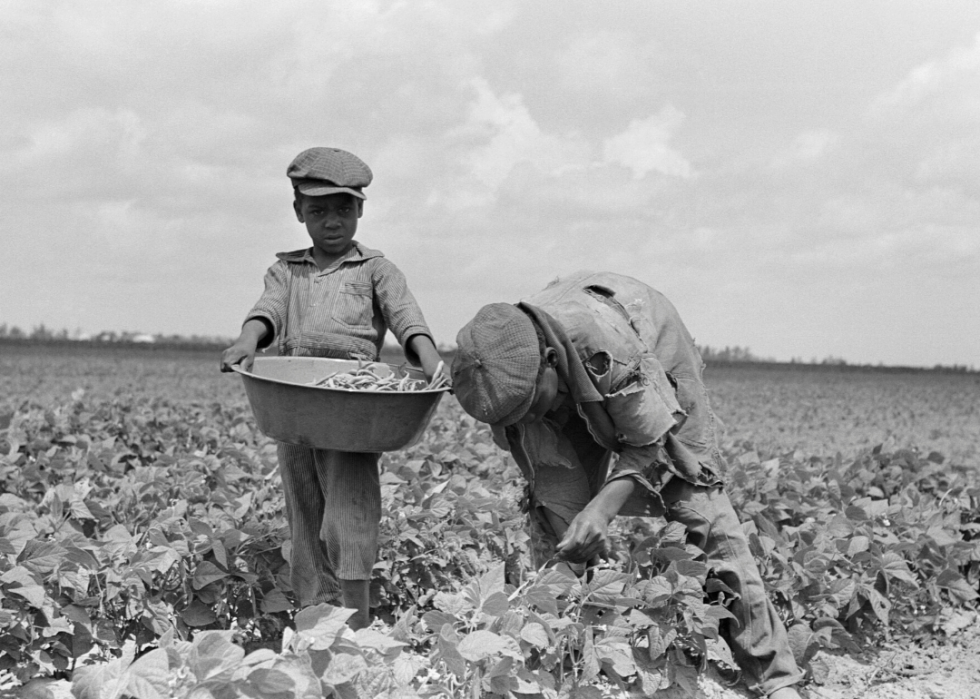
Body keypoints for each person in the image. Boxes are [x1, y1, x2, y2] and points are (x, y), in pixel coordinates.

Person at [451, 271, 804, 699]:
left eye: (528, 407)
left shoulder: (606, 350)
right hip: (559, 378)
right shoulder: (496, 380)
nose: (523, 421)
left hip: (644, 339)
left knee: (698, 507)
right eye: (511, 417)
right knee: (556, 516)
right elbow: (545, 468)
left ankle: (774, 676)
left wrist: (601, 510)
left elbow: (651, 440)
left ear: (548, 360)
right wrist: (574, 533)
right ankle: (573, 644)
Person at [220, 147, 445, 630]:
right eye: (318, 210)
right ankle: (316, 621)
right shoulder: (288, 270)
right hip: (296, 403)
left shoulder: (376, 270)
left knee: (349, 513)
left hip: (352, 404)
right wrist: (246, 339)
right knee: (304, 512)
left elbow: (407, 317)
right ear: (299, 211)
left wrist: (429, 359)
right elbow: (269, 309)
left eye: (344, 209)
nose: (332, 222)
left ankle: (358, 629)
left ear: (360, 209)